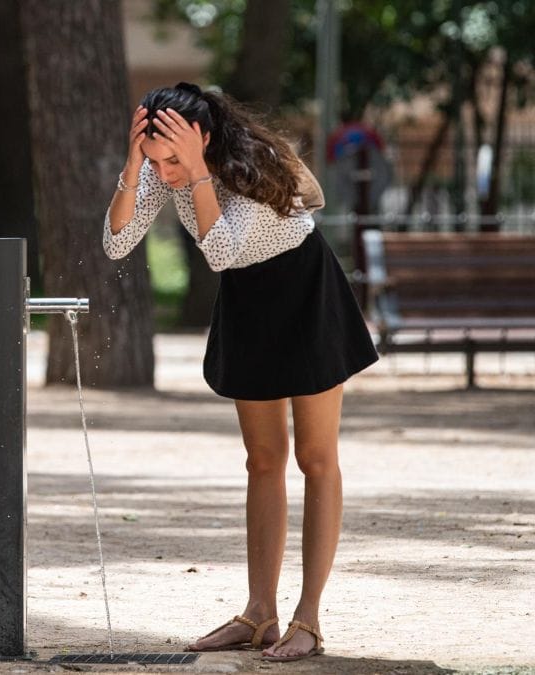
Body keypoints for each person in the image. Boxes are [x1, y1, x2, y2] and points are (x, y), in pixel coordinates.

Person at [102, 82, 379, 662]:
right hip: (250, 303)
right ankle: (259, 614)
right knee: (262, 459)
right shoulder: (160, 166)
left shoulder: (258, 165)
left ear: (202, 136)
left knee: (316, 458)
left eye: (174, 157)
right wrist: (136, 164)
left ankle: (308, 619)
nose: (167, 172)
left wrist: (196, 171)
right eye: (159, 160)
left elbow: (220, 251)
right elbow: (117, 241)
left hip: (304, 294)